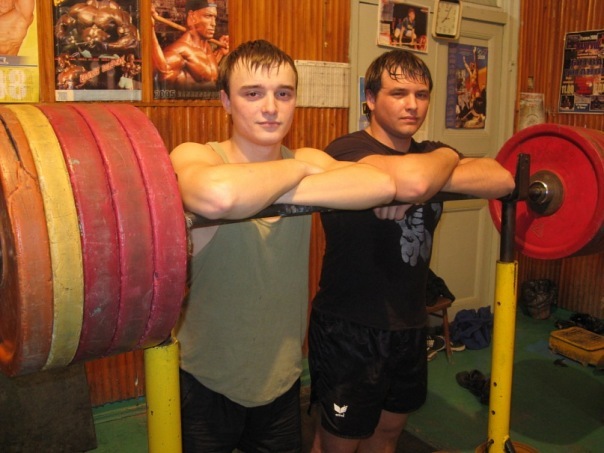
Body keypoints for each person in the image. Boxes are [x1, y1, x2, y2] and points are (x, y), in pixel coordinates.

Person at [169, 39, 396, 452]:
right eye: (252, 94)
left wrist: (286, 177)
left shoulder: (303, 157)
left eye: (284, 94)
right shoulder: (199, 155)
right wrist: (300, 171)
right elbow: (218, 196)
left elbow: (380, 184)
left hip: (282, 380)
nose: (271, 107)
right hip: (205, 381)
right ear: (226, 101)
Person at [308, 49, 515, 452]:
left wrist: (443, 158)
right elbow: (418, 184)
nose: (412, 105)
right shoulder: (346, 151)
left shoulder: (432, 154)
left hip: (409, 323)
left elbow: (502, 178)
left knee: (387, 436)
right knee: (337, 445)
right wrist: (431, 173)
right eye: (399, 93)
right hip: (350, 326)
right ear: (370, 99)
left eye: (421, 95)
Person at [151, 0, 230, 91]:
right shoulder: (181, 51)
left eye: (214, 17)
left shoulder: (206, 47)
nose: (213, 23)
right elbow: (161, 74)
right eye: (208, 16)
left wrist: (220, 52)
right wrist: (150, 29)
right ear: (192, 16)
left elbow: (206, 70)